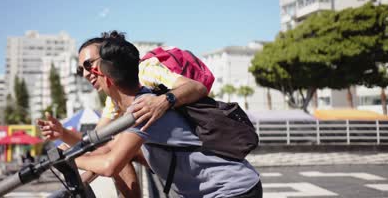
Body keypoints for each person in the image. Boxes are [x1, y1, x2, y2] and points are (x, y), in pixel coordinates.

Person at [72, 37, 262, 197]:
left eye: (89, 67)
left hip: (231, 190)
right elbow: (108, 147)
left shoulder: (143, 109)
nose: (87, 75)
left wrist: (70, 161)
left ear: (107, 77)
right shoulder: (140, 103)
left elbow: (110, 164)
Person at [37, 31, 208, 197]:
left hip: (201, 152)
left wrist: (162, 101)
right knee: (115, 150)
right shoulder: (114, 99)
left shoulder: (144, 72)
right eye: (81, 70)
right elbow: (98, 143)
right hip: (177, 158)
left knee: (120, 153)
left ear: (107, 59)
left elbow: (198, 88)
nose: (87, 74)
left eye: (89, 64)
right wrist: (63, 134)